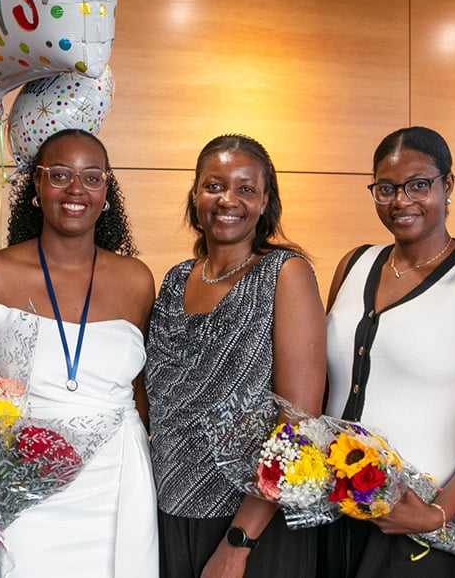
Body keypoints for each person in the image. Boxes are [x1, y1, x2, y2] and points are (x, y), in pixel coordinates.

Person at [319, 125, 455, 578]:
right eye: (386, 188)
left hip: (423, 526)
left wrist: (436, 513)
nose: (401, 201)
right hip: (331, 513)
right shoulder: (354, 263)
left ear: (447, 184)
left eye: (419, 185)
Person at [0, 128, 159, 577]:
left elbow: (139, 393)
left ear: (106, 191)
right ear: (37, 185)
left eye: (92, 177)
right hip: (22, 483)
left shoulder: (137, 280)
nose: (76, 189)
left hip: (119, 483)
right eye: (60, 175)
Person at [146, 133, 327, 578]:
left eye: (246, 188)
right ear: (195, 195)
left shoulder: (285, 273)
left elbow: (299, 423)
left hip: (252, 524)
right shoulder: (174, 280)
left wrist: (239, 542)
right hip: (172, 512)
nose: (228, 199)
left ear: (265, 201)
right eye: (214, 186)